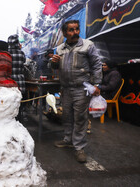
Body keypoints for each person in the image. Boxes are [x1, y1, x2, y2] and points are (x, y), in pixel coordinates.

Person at [51, 20, 102, 163]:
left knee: (80, 118)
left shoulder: (87, 45)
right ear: (64, 33)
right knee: (67, 115)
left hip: (82, 88)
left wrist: (97, 84)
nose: (75, 33)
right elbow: (54, 67)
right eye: (71, 30)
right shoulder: (60, 48)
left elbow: (97, 65)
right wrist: (53, 62)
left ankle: (79, 147)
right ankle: (68, 139)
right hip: (66, 88)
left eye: (76, 29)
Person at [7, 34, 26, 122]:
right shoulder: (21, 53)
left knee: (10, 107)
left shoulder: (6, 54)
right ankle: (19, 123)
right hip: (20, 83)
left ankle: (11, 123)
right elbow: (24, 63)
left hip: (9, 84)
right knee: (19, 106)